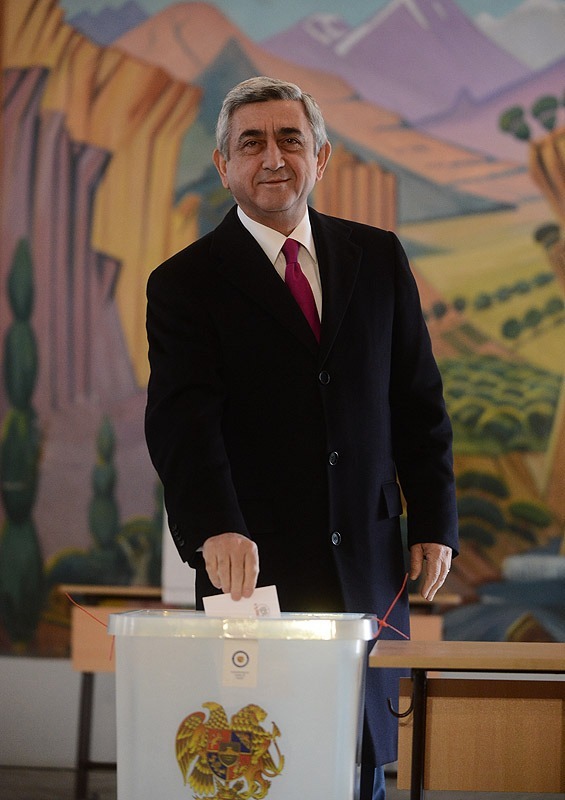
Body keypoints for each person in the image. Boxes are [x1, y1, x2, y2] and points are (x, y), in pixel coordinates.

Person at [145, 76, 458, 800]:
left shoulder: (378, 259)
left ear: (322, 156)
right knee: (261, 766)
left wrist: (436, 521)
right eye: (250, 142)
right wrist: (214, 524)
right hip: (253, 567)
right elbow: (183, 422)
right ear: (223, 166)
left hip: (370, 561)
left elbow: (417, 402)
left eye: (290, 138)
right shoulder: (184, 282)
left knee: (359, 761)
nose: (272, 156)